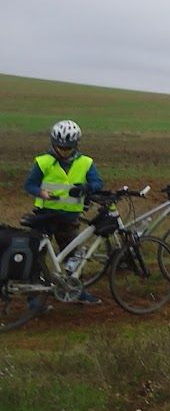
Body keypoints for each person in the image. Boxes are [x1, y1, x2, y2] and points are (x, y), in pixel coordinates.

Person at [23, 119, 104, 304]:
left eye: (68, 148)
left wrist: (86, 188)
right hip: (44, 216)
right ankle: (33, 300)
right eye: (60, 147)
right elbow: (29, 185)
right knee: (37, 256)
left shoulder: (86, 162)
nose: (64, 151)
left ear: (76, 145)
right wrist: (40, 192)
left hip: (69, 218)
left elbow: (98, 183)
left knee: (74, 256)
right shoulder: (43, 162)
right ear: (53, 143)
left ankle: (77, 292)